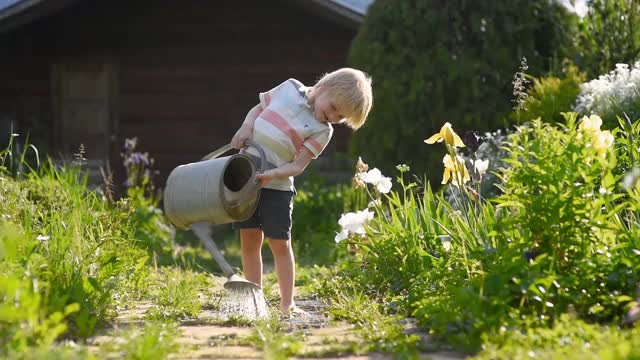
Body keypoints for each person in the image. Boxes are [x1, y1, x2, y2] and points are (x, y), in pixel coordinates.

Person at [230, 68, 373, 316]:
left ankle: (287, 304)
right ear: (327, 87)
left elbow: (297, 165)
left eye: (341, 118)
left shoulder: (322, 131)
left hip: (277, 188)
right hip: (247, 177)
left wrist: (272, 175)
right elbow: (258, 109)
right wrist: (245, 128)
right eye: (335, 108)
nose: (335, 118)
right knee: (249, 240)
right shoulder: (288, 88)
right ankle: (255, 302)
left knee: (280, 244)